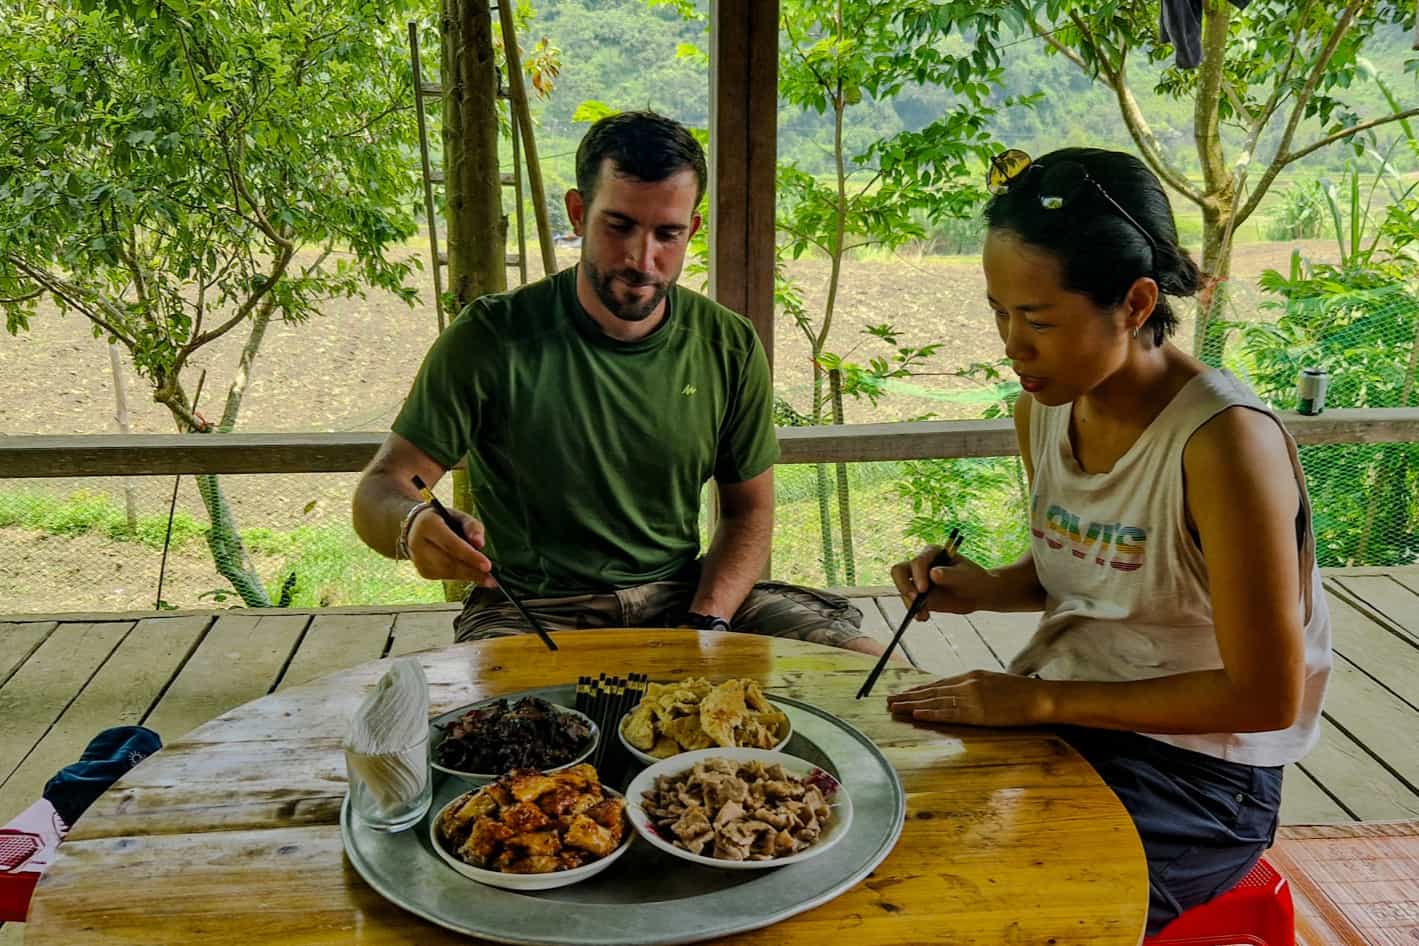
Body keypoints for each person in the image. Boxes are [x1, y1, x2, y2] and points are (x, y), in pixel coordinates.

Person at [885, 147, 1332, 933]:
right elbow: (1099, 570)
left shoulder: (1223, 446)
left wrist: (1038, 700)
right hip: (1073, 718)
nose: (1010, 345)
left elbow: (1265, 696)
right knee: (884, 829)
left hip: (1203, 780)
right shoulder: (1047, 404)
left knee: (991, 911)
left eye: (1037, 319)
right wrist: (987, 588)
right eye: (998, 311)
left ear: (1133, 303)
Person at [353, 111, 874, 654]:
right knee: (496, 728)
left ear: (691, 230)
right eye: (619, 225)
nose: (641, 259)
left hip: (686, 595)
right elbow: (384, 485)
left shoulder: (727, 344)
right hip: (531, 609)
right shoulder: (493, 337)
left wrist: (705, 622)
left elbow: (749, 511)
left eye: (667, 234)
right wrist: (410, 525)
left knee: (865, 667)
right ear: (578, 213)